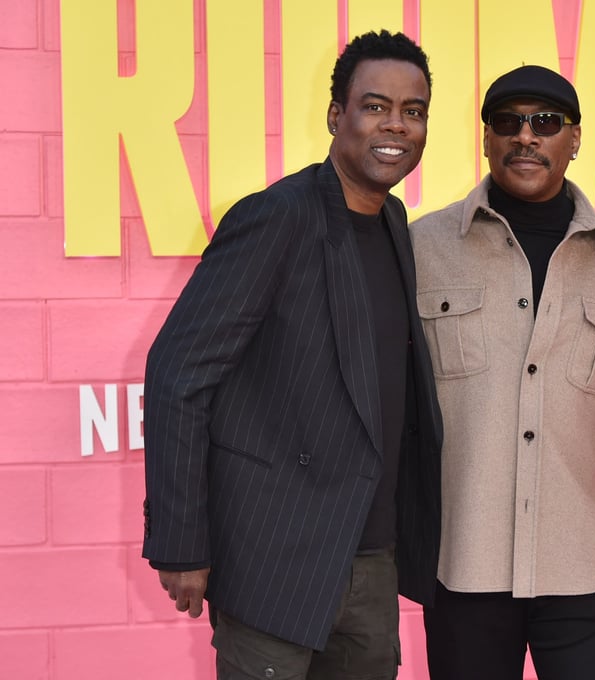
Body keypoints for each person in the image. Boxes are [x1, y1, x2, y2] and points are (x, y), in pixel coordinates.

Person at [142, 29, 442, 680]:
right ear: (336, 116)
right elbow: (176, 375)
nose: (396, 125)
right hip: (275, 560)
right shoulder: (277, 217)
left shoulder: (395, 224)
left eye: (412, 111)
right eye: (375, 106)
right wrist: (182, 542)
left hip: (371, 558)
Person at [409, 65, 595, 680]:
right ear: (486, 138)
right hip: (465, 567)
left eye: (546, 122)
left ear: (575, 138)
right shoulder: (422, 247)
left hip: (585, 568)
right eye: (508, 122)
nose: (526, 136)